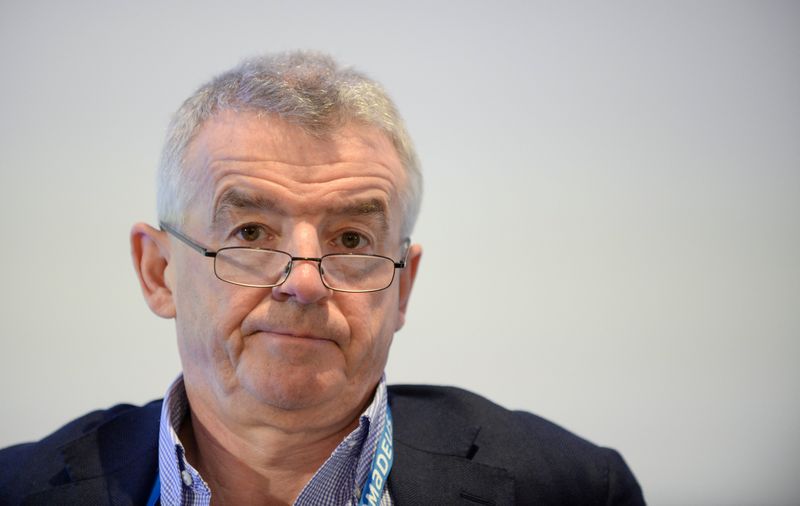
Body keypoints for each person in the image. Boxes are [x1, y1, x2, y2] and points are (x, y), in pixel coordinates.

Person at [0, 51, 645, 505]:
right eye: (250, 232)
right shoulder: (19, 490)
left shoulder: (573, 487)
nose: (305, 283)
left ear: (403, 288)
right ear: (159, 271)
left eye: (352, 240)